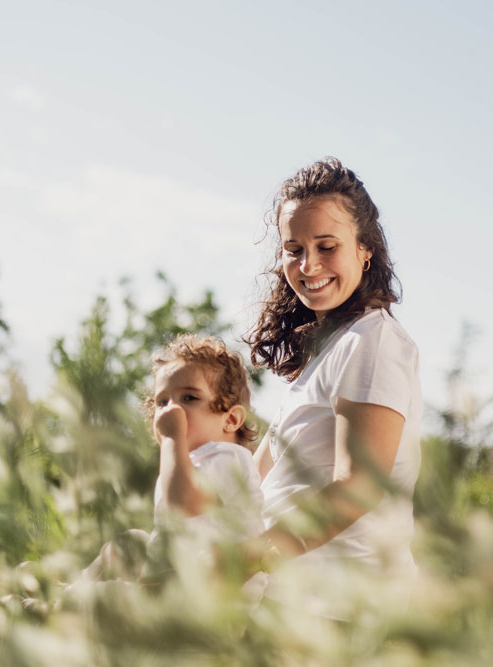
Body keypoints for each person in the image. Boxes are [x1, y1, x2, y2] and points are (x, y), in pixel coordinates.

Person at [245, 157, 422, 610]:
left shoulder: (373, 342)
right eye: (294, 249)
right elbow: (253, 475)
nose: (309, 265)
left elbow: (359, 484)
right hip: (295, 603)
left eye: (327, 246)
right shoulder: (329, 350)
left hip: (343, 612)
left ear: (365, 249)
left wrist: (252, 557)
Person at [84, 334, 264, 580]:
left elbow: (182, 506)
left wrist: (172, 437)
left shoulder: (228, 459)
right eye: (162, 402)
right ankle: (67, 593)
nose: (172, 409)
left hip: (209, 596)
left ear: (231, 419)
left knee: (107, 596)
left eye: (189, 398)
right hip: (172, 580)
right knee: (129, 542)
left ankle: (61, 603)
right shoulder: (194, 461)